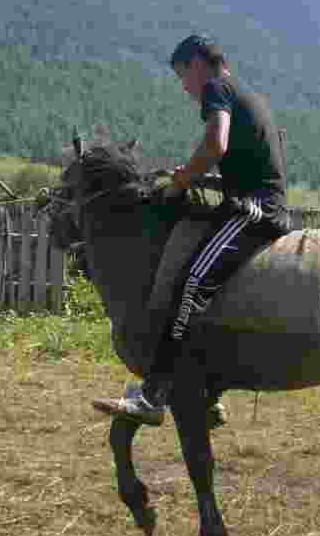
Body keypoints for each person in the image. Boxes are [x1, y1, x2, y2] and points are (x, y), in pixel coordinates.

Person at [93, 34, 290, 425]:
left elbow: (215, 145)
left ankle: (153, 396)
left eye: (183, 77)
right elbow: (247, 164)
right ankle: (203, 386)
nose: (185, 89)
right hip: (253, 201)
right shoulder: (246, 91)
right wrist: (197, 179)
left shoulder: (217, 88)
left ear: (197, 64)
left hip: (256, 212)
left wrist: (183, 181)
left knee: (190, 284)